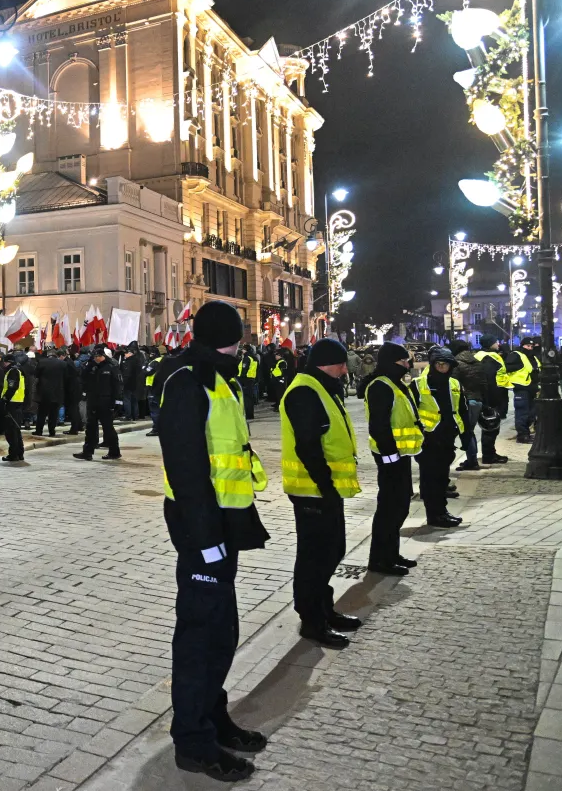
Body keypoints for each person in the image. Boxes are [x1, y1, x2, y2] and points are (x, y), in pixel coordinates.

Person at [156, 301, 270, 782]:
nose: (242, 343)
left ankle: (212, 716)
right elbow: (186, 468)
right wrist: (204, 540)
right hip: (200, 529)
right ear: (229, 338)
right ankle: (193, 741)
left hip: (226, 523)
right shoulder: (187, 382)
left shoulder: (223, 380)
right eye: (238, 336)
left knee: (222, 631)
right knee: (200, 636)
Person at [280, 338, 361, 649]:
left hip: (325, 489)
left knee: (333, 551)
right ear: (326, 364)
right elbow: (308, 446)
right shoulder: (304, 391)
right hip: (311, 491)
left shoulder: (322, 387)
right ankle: (312, 621)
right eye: (341, 364)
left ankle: (324, 609)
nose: (345, 370)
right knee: (315, 557)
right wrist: (325, 486)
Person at [361, 343, 422, 575]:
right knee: (389, 508)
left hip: (400, 455)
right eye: (403, 361)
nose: (407, 365)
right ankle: (380, 560)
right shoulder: (381, 386)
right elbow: (379, 425)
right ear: (390, 363)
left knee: (400, 506)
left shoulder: (395, 383)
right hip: (389, 456)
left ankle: (391, 553)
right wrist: (390, 457)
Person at [414, 346, 467, 529]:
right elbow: (411, 413)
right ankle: (434, 514)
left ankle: (441, 512)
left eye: (446, 364)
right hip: (428, 439)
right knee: (431, 480)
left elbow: (462, 410)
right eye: (439, 364)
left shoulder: (454, 384)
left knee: (442, 478)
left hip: (447, 437)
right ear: (433, 364)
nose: (442, 367)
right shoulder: (418, 384)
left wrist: (466, 436)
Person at [75, 347, 121, 461]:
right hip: (93, 400)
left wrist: (117, 402)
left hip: (106, 401)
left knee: (108, 428)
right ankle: (87, 452)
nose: (96, 359)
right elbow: (83, 377)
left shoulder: (111, 367)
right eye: (94, 357)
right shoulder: (91, 366)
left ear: (102, 356)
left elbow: (117, 385)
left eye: (97, 357)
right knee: (90, 427)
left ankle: (114, 452)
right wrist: (90, 365)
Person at [449, 338, 488, 472]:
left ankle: (472, 461)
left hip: (465, 401)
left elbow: (453, 385)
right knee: (469, 431)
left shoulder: (456, 364)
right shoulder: (478, 363)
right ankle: (472, 459)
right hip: (477, 400)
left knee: (465, 432)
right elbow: (484, 384)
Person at [474, 338, 511, 465]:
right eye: (495, 342)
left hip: (489, 396)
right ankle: (489, 455)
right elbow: (489, 380)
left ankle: (490, 453)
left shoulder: (481, 355)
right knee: (491, 426)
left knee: (489, 427)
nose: (498, 344)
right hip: (493, 397)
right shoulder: (489, 358)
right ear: (490, 344)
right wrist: (493, 401)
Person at [505, 337, 539, 443]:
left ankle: (526, 433)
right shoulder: (516, 355)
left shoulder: (533, 357)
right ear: (522, 345)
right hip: (521, 388)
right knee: (522, 412)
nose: (530, 348)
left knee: (531, 413)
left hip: (532, 388)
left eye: (531, 346)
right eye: (527, 346)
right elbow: (507, 368)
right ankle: (522, 435)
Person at [33, 349, 66, 438]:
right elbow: (65, 377)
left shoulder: (42, 362)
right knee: (53, 413)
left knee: (42, 413)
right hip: (57, 391)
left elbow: (36, 374)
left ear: (48, 355)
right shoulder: (62, 364)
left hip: (44, 391)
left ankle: (39, 430)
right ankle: (52, 431)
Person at [0, 353, 26, 462]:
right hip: (18, 402)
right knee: (16, 429)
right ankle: (19, 453)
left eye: (5, 362)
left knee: (11, 431)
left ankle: (14, 454)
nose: (3, 364)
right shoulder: (19, 370)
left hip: (12, 403)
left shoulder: (13, 371)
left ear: (8, 362)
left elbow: (12, 387)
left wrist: (4, 399)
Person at [236, 345, 259, 420]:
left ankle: (248, 415)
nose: (242, 350)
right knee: (250, 397)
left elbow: (244, 369)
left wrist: (241, 379)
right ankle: (250, 414)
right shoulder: (254, 358)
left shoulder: (247, 358)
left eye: (243, 349)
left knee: (247, 398)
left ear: (246, 350)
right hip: (251, 379)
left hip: (245, 380)